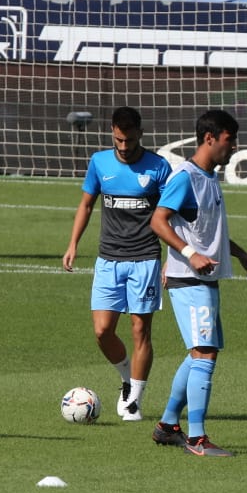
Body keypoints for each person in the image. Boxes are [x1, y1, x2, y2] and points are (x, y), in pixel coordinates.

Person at [149, 110, 247, 457]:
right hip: (189, 279)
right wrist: (187, 253)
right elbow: (158, 221)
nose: (234, 147)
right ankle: (197, 439)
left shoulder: (209, 178)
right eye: (229, 140)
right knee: (205, 354)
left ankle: (168, 425)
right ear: (210, 138)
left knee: (198, 353)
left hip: (204, 279)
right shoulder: (185, 177)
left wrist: (240, 255)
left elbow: (208, 235)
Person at [62, 106, 172, 421]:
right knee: (102, 331)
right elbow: (86, 204)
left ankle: (134, 401)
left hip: (145, 259)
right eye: (119, 140)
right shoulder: (99, 162)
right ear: (113, 132)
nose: (124, 147)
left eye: (130, 140)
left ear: (140, 134)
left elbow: (169, 217)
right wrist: (73, 244)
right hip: (108, 258)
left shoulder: (159, 167)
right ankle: (126, 378)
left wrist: (171, 258)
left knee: (140, 330)